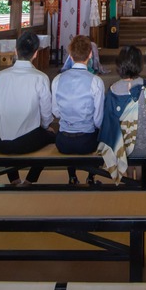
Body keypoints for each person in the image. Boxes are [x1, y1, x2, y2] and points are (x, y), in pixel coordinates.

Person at [0, 30, 56, 186]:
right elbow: (46, 114)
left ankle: (14, 179)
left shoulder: (0, 76)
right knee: (54, 139)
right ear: (36, 54)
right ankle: (30, 179)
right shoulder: (40, 77)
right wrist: (46, 128)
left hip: (1, 142)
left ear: (15, 51)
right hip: (28, 141)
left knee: (6, 129)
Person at [98, 46, 146, 184]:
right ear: (140, 65)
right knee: (139, 139)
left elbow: (108, 119)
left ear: (119, 64)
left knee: (127, 142)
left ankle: (129, 181)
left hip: (121, 146)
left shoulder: (112, 89)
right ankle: (141, 183)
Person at [51, 34, 105, 184]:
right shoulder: (96, 81)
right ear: (90, 54)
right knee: (104, 133)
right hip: (87, 141)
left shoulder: (57, 80)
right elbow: (98, 120)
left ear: (70, 55)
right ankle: (91, 176)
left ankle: (72, 176)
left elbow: (55, 112)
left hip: (63, 141)